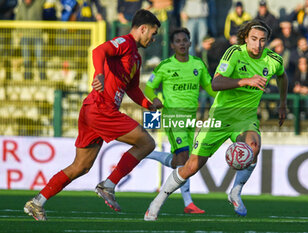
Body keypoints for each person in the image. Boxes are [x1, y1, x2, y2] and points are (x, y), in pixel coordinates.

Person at [23, 9, 161, 221]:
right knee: (146, 143)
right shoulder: (125, 42)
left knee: (81, 166)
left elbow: (132, 89)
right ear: (143, 28)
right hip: (100, 108)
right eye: (153, 33)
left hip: (93, 110)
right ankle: (109, 185)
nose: (153, 39)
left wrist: (148, 104)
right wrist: (99, 74)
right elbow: (99, 51)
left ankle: (37, 202)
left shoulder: (136, 57)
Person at [144, 19, 288, 221]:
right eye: (254, 39)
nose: (258, 44)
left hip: (245, 118)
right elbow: (217, 82)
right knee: (190, 166)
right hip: (220, 117)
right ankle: (157, 201)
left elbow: (282, 77)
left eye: (263, 40)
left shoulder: (273, 60)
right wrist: (246, 80)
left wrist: (282, 103)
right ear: (245, 38)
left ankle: (235, 191)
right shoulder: (234, 53)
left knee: (253, 147)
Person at [144, 27, 216, 214]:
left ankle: (145, 153)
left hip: (191, 119)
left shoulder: (198, 64)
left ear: (190, 43)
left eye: (185, 40)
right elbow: (149, 87)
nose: (182, 43)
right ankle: (188, 203)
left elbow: (210, 88)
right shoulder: (165, 65)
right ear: (173, 45)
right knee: (185, 159)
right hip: (173, 117)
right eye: (178, 41)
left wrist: (228, 96)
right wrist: (155, 99)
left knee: (179, 161)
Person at [15, 0, 47, 80]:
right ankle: (27, 76)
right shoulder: (21, 6)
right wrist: (19, 32)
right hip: (25, 36)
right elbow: (17, 20)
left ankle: (42, 76)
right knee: (26, 58)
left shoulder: (38, 3)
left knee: (40, 57)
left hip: (37, 35)